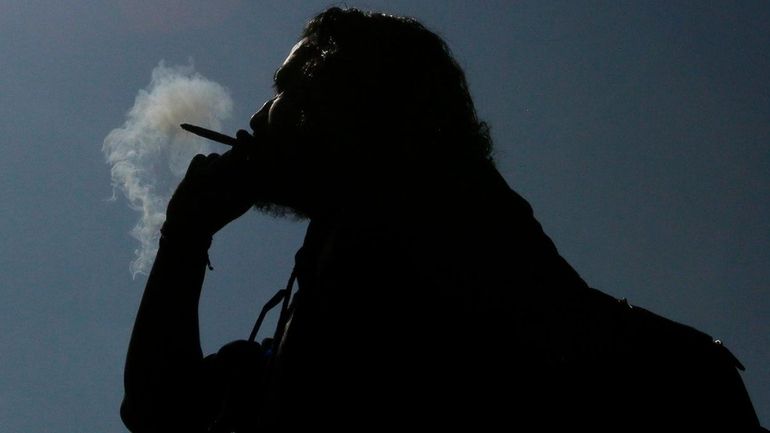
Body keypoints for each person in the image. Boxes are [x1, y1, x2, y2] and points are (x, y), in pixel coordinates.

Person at [120, 7, 765, 432]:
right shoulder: (344, 263)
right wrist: (187, 231)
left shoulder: (425, 226)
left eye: (286, 88)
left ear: (350, 99)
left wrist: (188, 233)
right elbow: (160, 410)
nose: (259, 116)